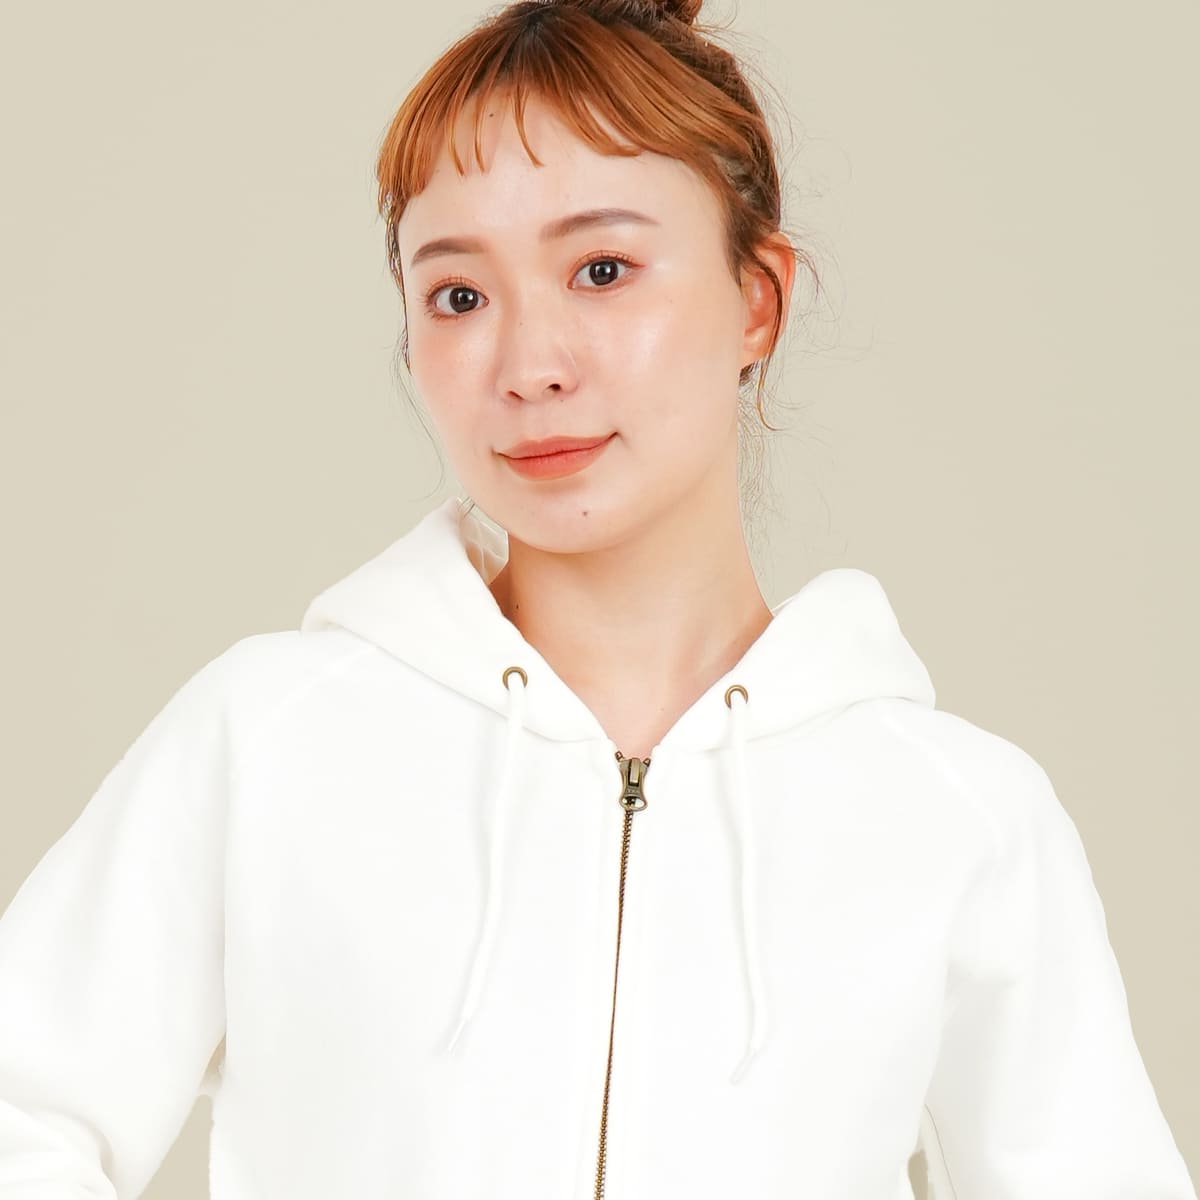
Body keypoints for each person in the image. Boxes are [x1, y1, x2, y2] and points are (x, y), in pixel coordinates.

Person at [0, 0, 1194, 1196]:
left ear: (758, 299)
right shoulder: (267, 740)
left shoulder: (957, 815)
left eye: (603, 270)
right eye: (458, 296)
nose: (531, 366)